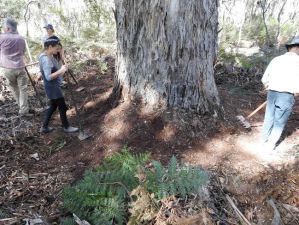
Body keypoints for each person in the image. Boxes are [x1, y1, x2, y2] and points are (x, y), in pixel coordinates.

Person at [261, 36, 299, 150]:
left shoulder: (276, 59)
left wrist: (269, 87)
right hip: (286, 95)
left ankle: (263, 141)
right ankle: (269, 147)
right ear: (297, 48)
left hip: (272, 93)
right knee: (279, 122)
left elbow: (264, 79)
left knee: (269, 118)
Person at [39, 38, 78, 134]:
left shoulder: (46, 55)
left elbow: (53, 68)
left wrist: (61, 68)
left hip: (51, 87)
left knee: (53, 106)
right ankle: (66, 127)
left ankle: (44, 127)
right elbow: (48, 77)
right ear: (50, 47)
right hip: (53, 88)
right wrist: (61, 71)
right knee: (62, 106)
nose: (58, 50)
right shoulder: (46, 59)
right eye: (56, 48)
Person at [0, 18, 32, 117]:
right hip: (20, 67)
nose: (3, 29)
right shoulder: (21, 38)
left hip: (7, 68)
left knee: (14, 89)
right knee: (23, 89)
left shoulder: (1, 37)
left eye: (4, 27)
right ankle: (23, 110)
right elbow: (23, 52)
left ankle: (21, 108)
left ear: (8, 28)